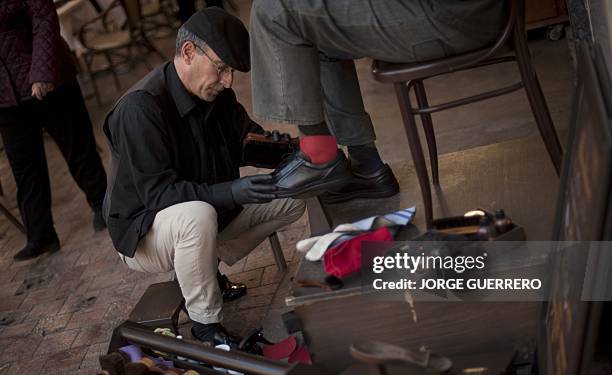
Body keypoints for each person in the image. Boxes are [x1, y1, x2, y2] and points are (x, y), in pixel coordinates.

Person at [103, 8, 305, 343]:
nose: (228, 81)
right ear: (188, 52)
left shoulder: (216, 94)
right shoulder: (140, 108)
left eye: (231, 72)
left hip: (208, 217)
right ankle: (206, 326)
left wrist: (301, 153)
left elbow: (247, 141)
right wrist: (232, 192)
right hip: (144, 234)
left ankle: (202, 266)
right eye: (222, 68)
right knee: (197, 215)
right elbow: (159, 195)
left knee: (294, 189)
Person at [250, 0, 508, 202]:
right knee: (311, 30)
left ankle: (319, 155)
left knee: (274, 9)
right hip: (463, 13)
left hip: (454, 15)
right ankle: (367, 168)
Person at [0, 0, 108, 261]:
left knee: (77, 146)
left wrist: (41, 73)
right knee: (24, 166)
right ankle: (41, 235)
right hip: (5, 94)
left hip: (48, 78)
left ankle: (104, 206)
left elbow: (43, 18)